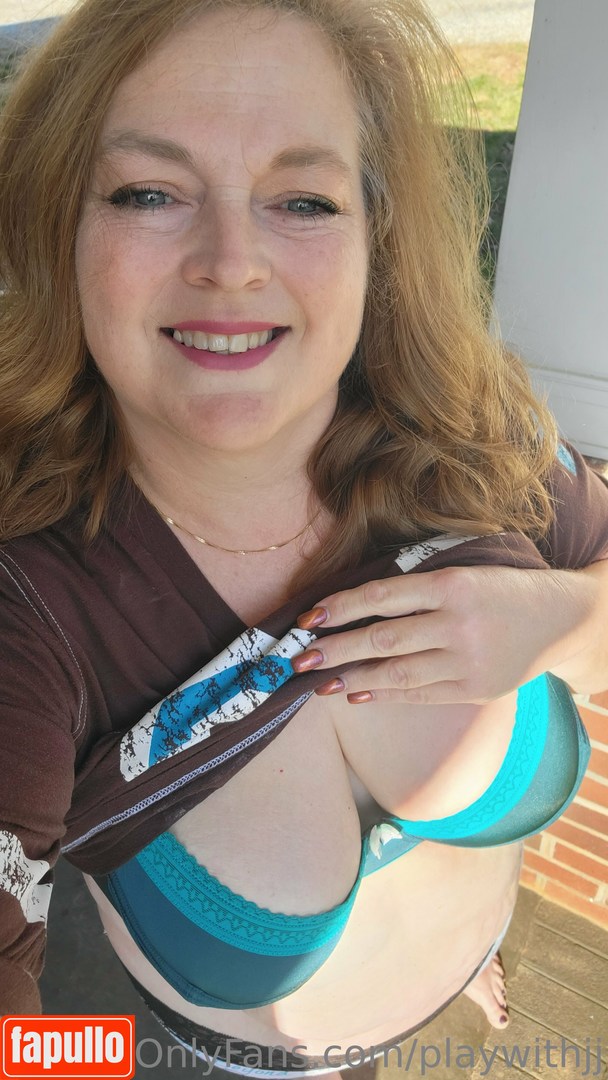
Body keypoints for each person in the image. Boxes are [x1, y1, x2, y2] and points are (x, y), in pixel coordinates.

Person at [0, 0, 607, 1072]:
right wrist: (97, 1062)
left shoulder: (470, 436)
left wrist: (567, 616)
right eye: (149, 192)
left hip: (476, 971)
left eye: (302, 200)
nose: (231, 263)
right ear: (60, 231)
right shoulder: (27, 596)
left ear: (377, 240)